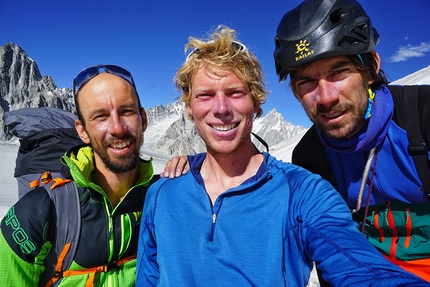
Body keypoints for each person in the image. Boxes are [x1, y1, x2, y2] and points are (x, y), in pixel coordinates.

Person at [135, 25, 429, 286]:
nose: (221, 108)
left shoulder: (303, 192)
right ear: (188, 107)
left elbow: (355, 263)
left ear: (256, 103)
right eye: (205, 95)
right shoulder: (162, 192)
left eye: (235, 92)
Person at [273, 0, 430, 283]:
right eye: (306, 81)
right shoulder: (311, 156)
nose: (326, 96)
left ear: (371, 69)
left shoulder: (423, 119)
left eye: (338, 72)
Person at [0, 64, 183, 286]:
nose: (117, 128)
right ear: (82, 131)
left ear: (143, 119)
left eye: (126, 111)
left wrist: (196, 167)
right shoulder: (38, 212)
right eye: (100, 116)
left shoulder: (162, 199)